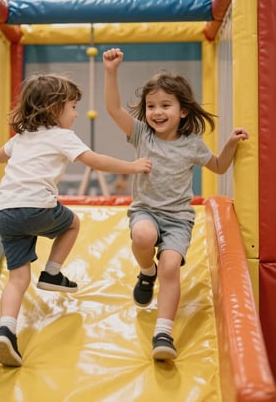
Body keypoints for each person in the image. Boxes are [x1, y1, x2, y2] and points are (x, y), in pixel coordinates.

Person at [0, 73, 151, 367]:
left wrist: (12, 150)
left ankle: (6, 330)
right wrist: (132, 166)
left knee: (18, 279)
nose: (76, 114)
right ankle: (52, 272)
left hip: (6, 212)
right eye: (73, 108)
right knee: (72, 223)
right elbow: (95, 161)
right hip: (37, 207)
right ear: (54, 109)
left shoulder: (22, 137)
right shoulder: (62, 136)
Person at [103, 47, 249, 361]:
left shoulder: (192, 143)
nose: (157, 112)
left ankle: (163, 333)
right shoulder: (142, 135)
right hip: (146, 211)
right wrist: (111, 71)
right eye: (151, 105)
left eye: (165, 105)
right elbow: (113, 108)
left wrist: (231, 143)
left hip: (178, 219)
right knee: (143, 237)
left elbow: (219, 166)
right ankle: (145, 271)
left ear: (182, 110)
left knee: (171, 267)